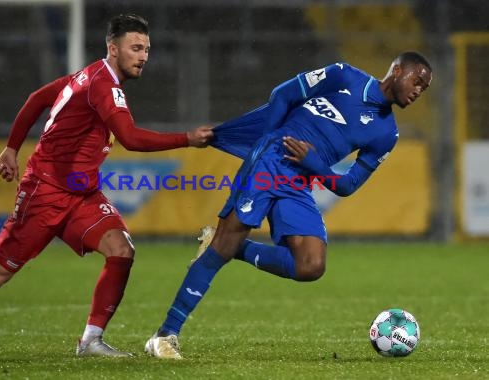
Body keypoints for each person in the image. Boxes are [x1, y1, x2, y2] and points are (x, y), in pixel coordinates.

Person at [0, 14, 213, 357]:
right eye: (136, 48)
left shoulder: (90, 74)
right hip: (44, 192)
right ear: (113, 49)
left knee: (121, 250)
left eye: (146, 49)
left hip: (81, 193)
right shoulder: (103, 85)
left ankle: (90, 341)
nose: (144, 56)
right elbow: (130, 138)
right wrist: (186, 139)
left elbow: (36, 99)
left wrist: (12, 148)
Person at [144, 52, 433, 359]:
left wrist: (316, 165)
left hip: (300, 180)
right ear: (397, 70)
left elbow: (347, 185)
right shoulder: (344, 75)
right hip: (270, 160)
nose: (417, 91)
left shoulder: (387, 134)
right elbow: (282, 95)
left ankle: (234, 248)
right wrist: (267, 142)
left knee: (311, 265)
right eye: (417, 82)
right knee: (223, 245)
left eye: (423, 89)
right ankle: (164, 335)